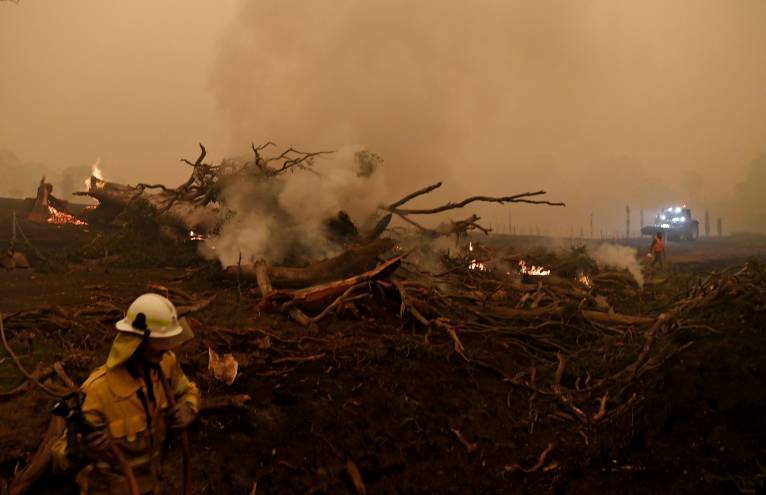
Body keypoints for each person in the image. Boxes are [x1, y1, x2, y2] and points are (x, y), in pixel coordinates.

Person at [52, 293, 201, 495]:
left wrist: (189, 408)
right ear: (136, 341)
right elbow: (60, 456)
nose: (166, 350)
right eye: (159, 343)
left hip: (153, 485)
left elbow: (188, 390)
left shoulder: (165, 364)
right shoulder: (98, 391)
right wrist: (84, 450)